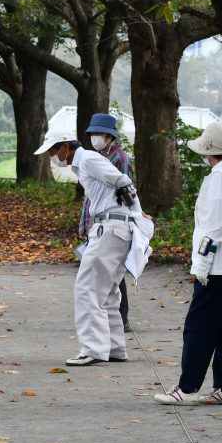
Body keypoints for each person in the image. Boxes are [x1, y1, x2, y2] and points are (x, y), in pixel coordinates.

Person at [154, 121, 222, 406]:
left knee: (199, 327)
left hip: (221, 262)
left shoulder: (218, 177)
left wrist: (201, 263)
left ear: (211, 151)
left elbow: (214, 227)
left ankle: (187, 389)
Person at [36, 120, 144, 366]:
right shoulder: (83, 163)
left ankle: (93, 349)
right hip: (113, 227)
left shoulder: (88, 159)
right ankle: (114, 348)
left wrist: (137, 213)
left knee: (86, 288)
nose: (53, 157)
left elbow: (123, 181)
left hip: (110, 228)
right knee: (108, 292)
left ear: (65, 147)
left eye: (53, 151)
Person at [79, 113, 136, 333]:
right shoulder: (99, 156)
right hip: (99, 222)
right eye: (92, 133)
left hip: (114, 222)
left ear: (109, 135)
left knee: (113, 273)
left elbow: (125, 189)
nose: (95, 137)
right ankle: (114, 317)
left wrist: (134, 215)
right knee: (107, 272)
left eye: (99, 133)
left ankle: (121, 318)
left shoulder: (119, 158)